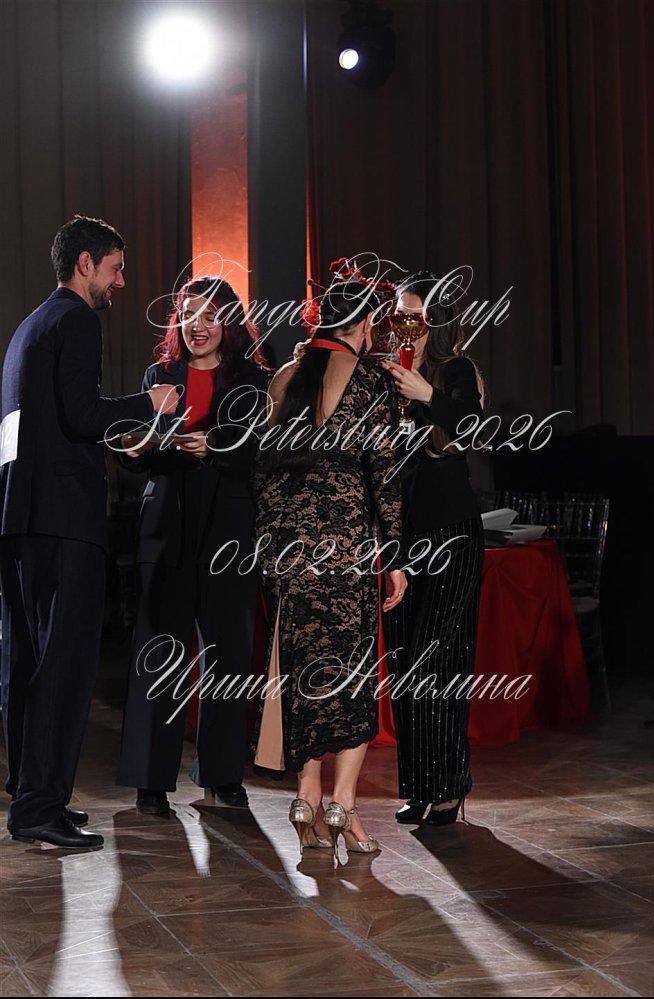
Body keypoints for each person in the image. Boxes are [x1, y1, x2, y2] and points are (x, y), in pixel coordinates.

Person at [0, 215, 178, 849]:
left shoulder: (29, 327)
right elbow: (81, 415)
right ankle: (39, 807)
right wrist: (146, 405)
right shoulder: (76, 320)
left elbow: (36, 427)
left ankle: (31, 793)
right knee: (64, 665)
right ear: (85, 264)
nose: (121, 282)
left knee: (25, 661)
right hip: (64, 521)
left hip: (20, 518)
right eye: (116, 268)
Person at [251, 280, 407, 859]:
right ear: (363, 325)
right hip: (344, 547)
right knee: (352, 677)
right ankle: (343, 804)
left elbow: (261, 476)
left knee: (304, 675)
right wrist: (395, 557)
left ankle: (306, 797)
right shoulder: (369, 381)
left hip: (288, 551)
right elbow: (385, 477)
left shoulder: (285, 378)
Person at [116, 276, 270, 815]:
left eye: (209, 314)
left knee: (228, 652)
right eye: (187, 314)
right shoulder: (158, 376)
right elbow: (138, 453)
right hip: (168, 524)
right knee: (160, 650)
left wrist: (216, 447)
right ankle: (150, 780)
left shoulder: (254, 380)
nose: (197, 325)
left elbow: (263, 455)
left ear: (228, 321)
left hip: (229, 527)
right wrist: (136, 446)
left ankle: (223, 775)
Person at [380, 269, 486, 826]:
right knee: (404, 663)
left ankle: (449, 785)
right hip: (402, 539)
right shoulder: (386, 374)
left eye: (416, 314)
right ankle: (419, 786)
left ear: (435, 321)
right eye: (400, 313)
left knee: (438, 659)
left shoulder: (455, 371)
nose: (405, 322)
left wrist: (426, 393)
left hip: (452, 533)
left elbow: (471, 429)